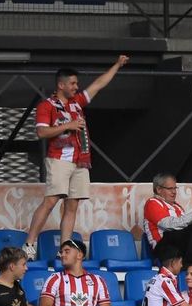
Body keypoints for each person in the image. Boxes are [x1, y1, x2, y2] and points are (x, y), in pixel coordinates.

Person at [22, 57, 129, 260]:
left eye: (77, 83)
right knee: (51, 201)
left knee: (72, 206)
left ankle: (64, 250)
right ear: (60, 85)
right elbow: (42, 133)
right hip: (59, 159)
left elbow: (99, 84)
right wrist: (68, 126)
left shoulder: (77, 102)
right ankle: (29, 244)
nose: (76, 87)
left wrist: (116, 65)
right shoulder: (47, 106)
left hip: (80, 161)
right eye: (72, 83)